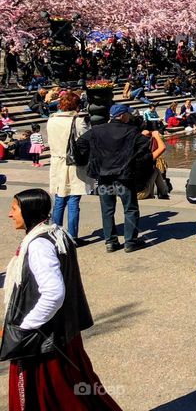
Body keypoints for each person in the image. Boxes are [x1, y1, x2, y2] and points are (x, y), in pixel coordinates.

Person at [1, 189, 123, 411]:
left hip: (42, 340)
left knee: (57, 397)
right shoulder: (56, 233)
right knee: (76, 390)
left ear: (29, 211)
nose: (10, 214)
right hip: (62, 335)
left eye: (14, 209)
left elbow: (54, 292)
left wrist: (24, 327)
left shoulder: (39, 245)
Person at [73, 104, 157, 254]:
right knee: (130, 208)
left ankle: (110, 242)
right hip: (124, 177)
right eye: (128, 114)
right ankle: (130, 241)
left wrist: (94, 157)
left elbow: (81, 143)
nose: (130, 116)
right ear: (123, 115)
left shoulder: (98, 130)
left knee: (107, 210)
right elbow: (144, 149)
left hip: (104, 177)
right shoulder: (131, 131)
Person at [46, 91, 91, 242]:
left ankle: (55, 233)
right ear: (76, 105)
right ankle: (72, 236)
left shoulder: (51, 120)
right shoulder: (77, 120)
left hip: (57, 161)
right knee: (73, 200)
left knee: (59, 198)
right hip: (73, 162)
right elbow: (86, 140)